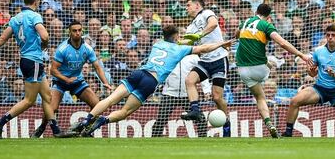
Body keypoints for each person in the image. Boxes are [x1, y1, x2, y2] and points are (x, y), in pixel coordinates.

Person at [59, 24, 233, 137]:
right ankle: (101, 122)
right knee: (126, 111)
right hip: (150, 81)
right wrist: (222, 43)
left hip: (138, 73)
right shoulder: (180, 49)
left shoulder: (157, 44)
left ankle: (86, 120)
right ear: (176, 36)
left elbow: (172, 41)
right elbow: (205, 47)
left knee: (110, 99)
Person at [0, 0, 60, 138]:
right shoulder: (34, 16)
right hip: (34, 60)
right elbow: (45, 35)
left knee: (47, 96)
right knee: (29, 100)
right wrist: (44, 45)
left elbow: (2, 38)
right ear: (36, 1)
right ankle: (0, 122)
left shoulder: (16, 18)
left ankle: (56, 131)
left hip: (25, 60)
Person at [235, 3, 312, 137]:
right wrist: (301, 55)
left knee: (260, 97)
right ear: (268, 16)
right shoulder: (266, 25)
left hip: (242, 70)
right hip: (260, 69)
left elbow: (237, 34)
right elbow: (282, 43)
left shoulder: (245, 22)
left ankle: (269, 122)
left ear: (255, 12)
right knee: (272, 64)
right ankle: (271, 68)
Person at [31, 20, 112, 138]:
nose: (77, 33)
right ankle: (42, 127)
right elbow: (53, 70)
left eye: (79, 30)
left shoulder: (87, 48)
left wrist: (105, 83)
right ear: (69, 33)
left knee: (97, 105)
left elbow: (97, 67)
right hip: (60, 82)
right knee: (52, 109)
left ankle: (85, 129)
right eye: (74, 31)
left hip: (77, 81)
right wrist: (66, 79)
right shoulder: (63, 49)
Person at [179, 0, 231, 136]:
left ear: (197, 5)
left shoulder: (206, 13)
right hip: (204, 61)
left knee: (217, 98)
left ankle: (226, 123)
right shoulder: (190, 27)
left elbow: (213, 24)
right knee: (190, 81)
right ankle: (195, 109)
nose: (186, 8)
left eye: (188, 5)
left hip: (219, 60)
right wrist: (174, 45)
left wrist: (199, 35)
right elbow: (187, 43)